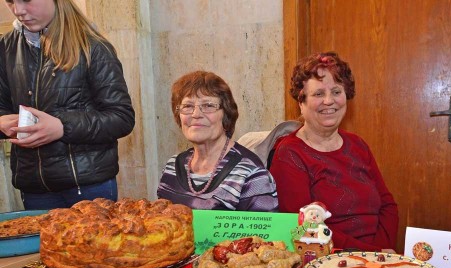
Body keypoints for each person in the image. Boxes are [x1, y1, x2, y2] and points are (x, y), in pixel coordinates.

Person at [0, 0, 135, 210]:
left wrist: (62, 127)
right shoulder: (6, 47)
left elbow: (121, 117)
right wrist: (2, 122)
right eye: (10, 2)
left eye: (26, 0)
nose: (18, 11)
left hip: (88, 189)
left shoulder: (93, 47)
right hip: (34, 189)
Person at [270, 51, 399, 251]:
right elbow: (306, 228)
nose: (329, 101)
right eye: (318, 93)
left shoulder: (358, 145)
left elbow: (388, 206)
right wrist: (370, 254)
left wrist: (381, 254)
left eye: (336, 91)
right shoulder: (289, 154)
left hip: (378, 256)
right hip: (329, 259)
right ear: (301, 103)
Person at [157, 70, 278, 211]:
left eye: (208, 106)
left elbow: (263, 232)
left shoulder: (251, 174)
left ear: (226, 114)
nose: (196, 114)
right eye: (188, 106)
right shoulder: (172, 167)